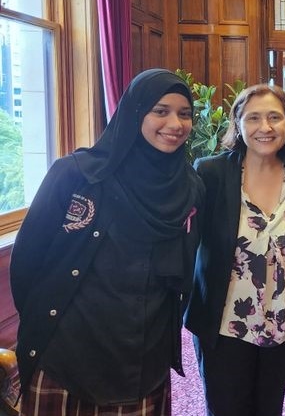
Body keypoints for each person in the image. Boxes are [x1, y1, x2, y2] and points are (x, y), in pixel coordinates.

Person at [11, 68, 203, 414]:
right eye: (160, 111)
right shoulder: (76, 174)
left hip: (141, 357)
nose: (175, 123)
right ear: (134, 113)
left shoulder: (189, 187)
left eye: (185, 113)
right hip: (66, 352)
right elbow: (27, 263)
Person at [185, 84, 285, 416]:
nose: (265, 127)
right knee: (227, 407)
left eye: (275, 117)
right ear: (239, 124)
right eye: (253, 118)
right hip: (225, 321)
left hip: (284, 318)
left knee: (270, 406)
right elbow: (184, 240)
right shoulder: (211, 172)